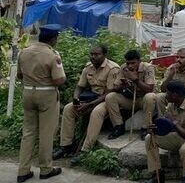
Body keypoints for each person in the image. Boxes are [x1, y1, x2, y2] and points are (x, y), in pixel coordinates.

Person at [17, 24, 66, 182]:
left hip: (27, 92)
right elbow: (58, 80)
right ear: (53, 39)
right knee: (46, 133)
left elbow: (19, 75)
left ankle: (23, 171)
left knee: (28, 133)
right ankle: (46, 169)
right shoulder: (53, 55)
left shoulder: (24, 52)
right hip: (46, 94)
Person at [53, 45, 120, 160]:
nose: (93, 57)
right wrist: (76, 98)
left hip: (105, 99)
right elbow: (80, 86)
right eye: (92, 54)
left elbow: (108, 93)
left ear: (104, 55)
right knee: (69, 109)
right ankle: (66, 146)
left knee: (96, 112)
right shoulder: (88, 67)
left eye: (97, 54)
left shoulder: (112, 68)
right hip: (90, 97)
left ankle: (86, 149)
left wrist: (89, 105)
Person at [144, 81, 185, 183]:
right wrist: (154, 129)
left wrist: (173, 122)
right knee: (149, 138)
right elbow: (168, 126)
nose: (165, 96)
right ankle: (157, 174)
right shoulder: (172, 104)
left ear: (174, 95)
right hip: (180, 135)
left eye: (167, 93)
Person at [105, 49, 157, 140]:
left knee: (150, 96)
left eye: (133, 63)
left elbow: (149, 89)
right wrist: (124, 85)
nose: (130, 66)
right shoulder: (124, 68)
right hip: (129, 98)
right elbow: (116, 86)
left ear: (139, 61)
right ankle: (118, 126)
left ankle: (146, 128)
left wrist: (135, 79)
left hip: (142, 99)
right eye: (128, 63)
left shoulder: (148, 67)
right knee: (110, 97)